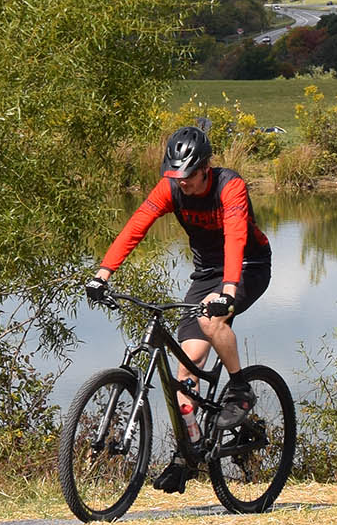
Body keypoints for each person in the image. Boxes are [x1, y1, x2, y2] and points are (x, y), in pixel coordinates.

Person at [86, 124, 273, 494]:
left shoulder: (228, 185)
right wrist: (102, 274)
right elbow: (136, 226)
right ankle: (188, 456)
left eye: (188, 176)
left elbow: (236, 235)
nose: (182, 183)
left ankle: (240, 390)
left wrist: (229, 290)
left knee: (212, 316)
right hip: (206, 274)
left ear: (206, 167)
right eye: (176, 176)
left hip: (248, 267)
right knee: (184, 374)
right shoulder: (171, 186)